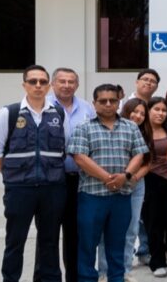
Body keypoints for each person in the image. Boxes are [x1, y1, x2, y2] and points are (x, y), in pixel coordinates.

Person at [0, 65, 68, 282]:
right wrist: (13, 177)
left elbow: (65, 147)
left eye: (43, 81)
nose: (38, 85)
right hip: (20, 190)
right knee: (15, 241)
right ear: (24, 85)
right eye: (33, 81)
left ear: (49, 85)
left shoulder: (58, 113)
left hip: (52, 189)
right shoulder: (10, 113)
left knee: (50, 242)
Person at [69, 84, 149, 282]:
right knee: (87, 244)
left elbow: (139, 153)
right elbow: (79, 157)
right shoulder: (84, 127)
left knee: (117, 243)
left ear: (118, 102)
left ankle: (116, 278)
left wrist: (126, 175)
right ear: (94, 103)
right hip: (92, 196)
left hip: (121, 196)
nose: (107, 104)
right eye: (102, 101)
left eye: (112, 100)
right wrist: (106, 178)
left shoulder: (130, 127)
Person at [49, 67, 96, 282]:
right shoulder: (44, 106)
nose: (67, 85)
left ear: (77, 84)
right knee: (48, 235)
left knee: (75, 234)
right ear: (53, 83)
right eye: (62, 81)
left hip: (79, 181)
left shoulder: (87, 109)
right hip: (51, 182)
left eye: (71, 82)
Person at [140, 97, 167, 276]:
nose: (160, 113)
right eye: (156, 109)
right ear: (148, 111)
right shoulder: (140, 131)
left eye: (164, 110)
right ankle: (157, 262)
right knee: (153, 223)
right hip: (149, 180)